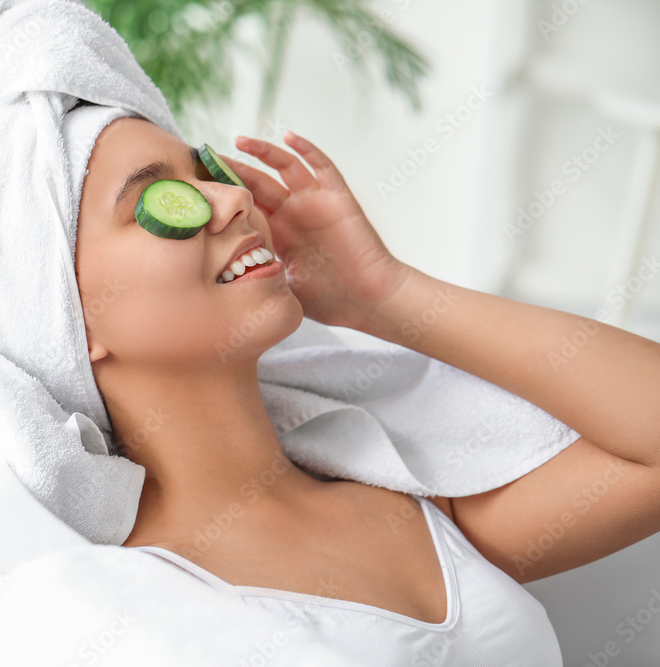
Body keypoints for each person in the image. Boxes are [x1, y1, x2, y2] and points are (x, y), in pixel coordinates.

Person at [73, 115, 660, 635]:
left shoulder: (425, 513)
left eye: (207, 172)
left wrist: (385, 295)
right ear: (64, 312)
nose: (232, 200)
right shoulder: (121, 608)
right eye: (157, 196)